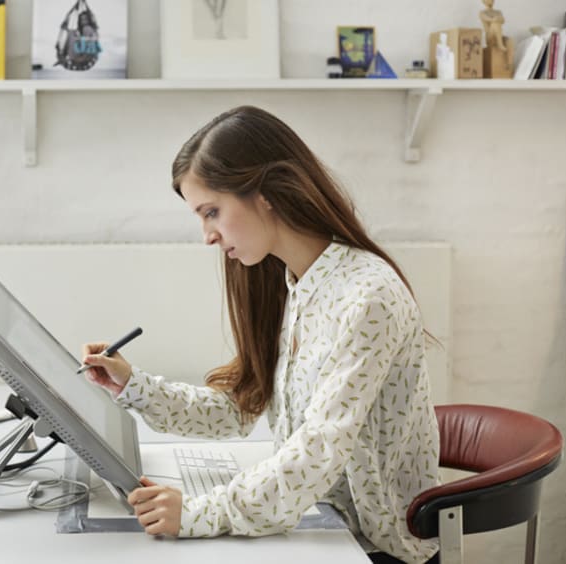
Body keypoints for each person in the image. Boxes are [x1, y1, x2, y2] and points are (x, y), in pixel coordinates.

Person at [82, 106, 440, 564]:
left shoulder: (367, 296)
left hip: (374, 548)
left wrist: (196, 514)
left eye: (212, 212)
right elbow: (241, 410)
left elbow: (318, 453)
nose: (206, 236)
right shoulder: (294, 283)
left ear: (266, 192)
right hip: (320, 525)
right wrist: (134, 386)